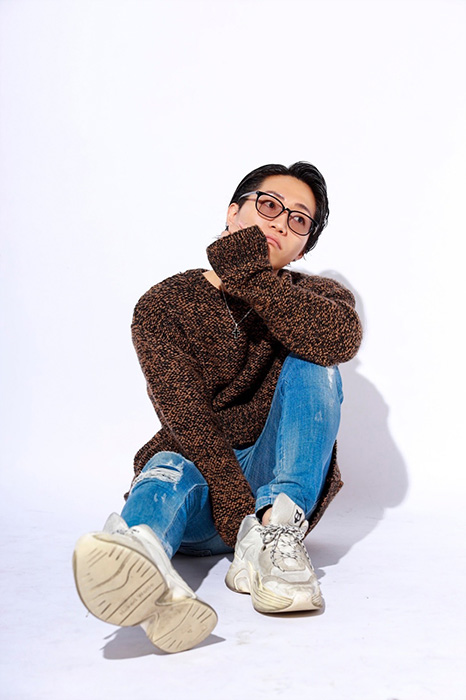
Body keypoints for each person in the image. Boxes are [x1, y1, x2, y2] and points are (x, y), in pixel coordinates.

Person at [73, 162, 362, 654]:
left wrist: (250, 276)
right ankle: (142, 556)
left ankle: (276, 545)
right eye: (268, 205)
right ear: (233, 212)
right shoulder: (166, 303)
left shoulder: (317, 297)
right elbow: (185, 417)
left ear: (303, 247)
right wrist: (235, 517)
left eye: (298, 220)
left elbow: (340, 340)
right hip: (200, 492)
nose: (279, 222)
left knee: (317, 358)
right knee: (167, 464)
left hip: (273, 500)